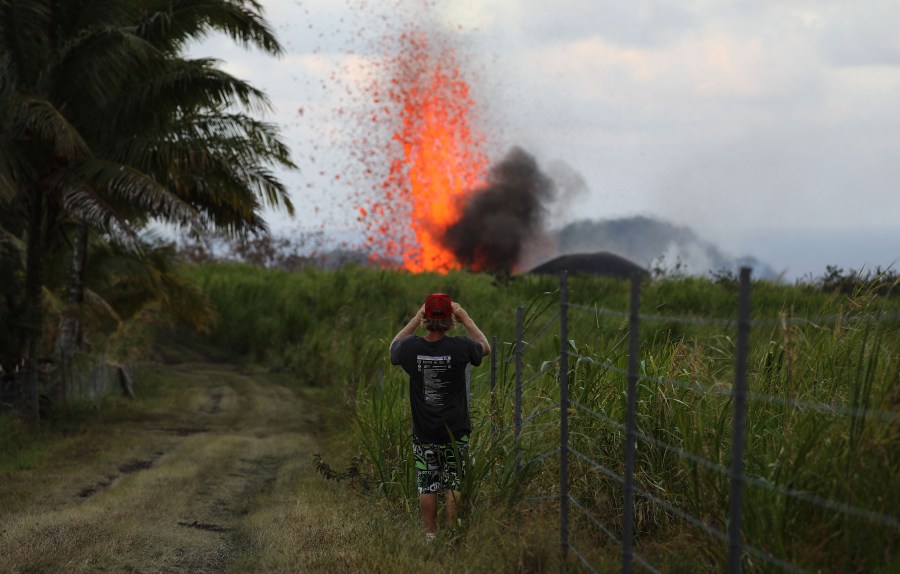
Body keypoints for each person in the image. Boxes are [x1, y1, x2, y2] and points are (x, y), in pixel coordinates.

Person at [389, 293, 490, 542]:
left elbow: (394, 348)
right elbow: (485, 347)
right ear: (450, 319)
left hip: (424, 433)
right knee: (455, 483)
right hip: (455, 432)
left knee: (428, 483)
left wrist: (414, 319)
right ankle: (452, 533)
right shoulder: (461, 347)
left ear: (425, 317)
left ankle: (431, 535)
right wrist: (465, 317)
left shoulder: (411, 348)